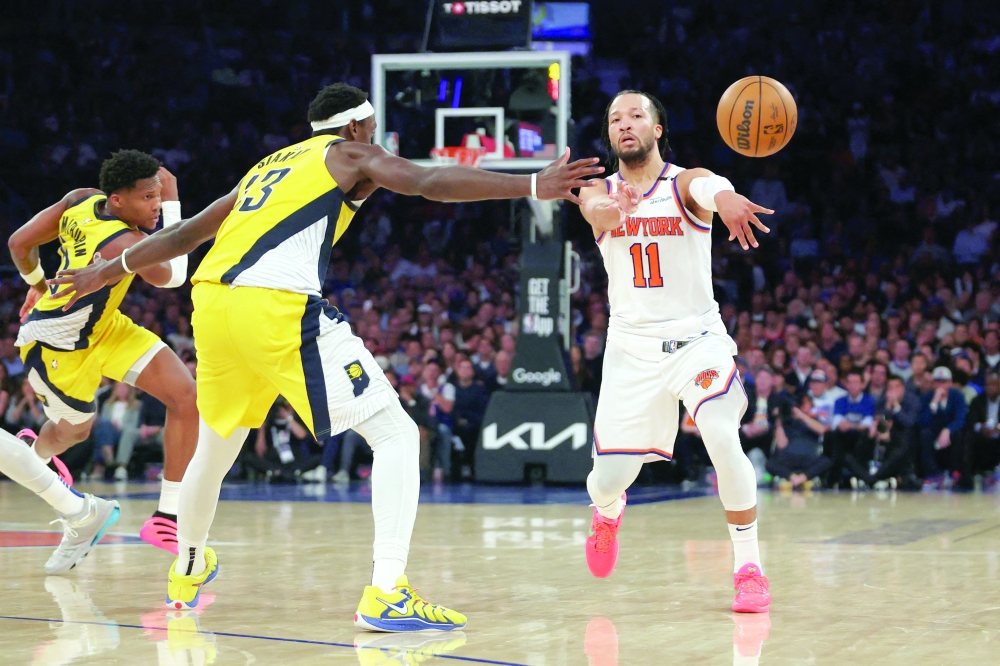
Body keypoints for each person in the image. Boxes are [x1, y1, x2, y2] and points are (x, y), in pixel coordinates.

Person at [51, 82, 601, 629]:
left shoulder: (265, 167)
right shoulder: (350, 152)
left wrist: (107, 270)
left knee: (215, 451)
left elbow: (191, 232)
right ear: (357, 127)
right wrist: (532, 182)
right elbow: (427, 181)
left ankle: (188, 569)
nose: (377, 139)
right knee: (397, 434)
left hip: (213, 306)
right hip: (275, 305)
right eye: (374, 129)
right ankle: (388, 591)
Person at [576, 89, 772, 612]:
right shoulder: (599, 188)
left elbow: (709, 186)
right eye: (616, 118)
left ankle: (748, 568)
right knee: (604, 481)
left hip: (697, 341)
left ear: (656, 129)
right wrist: (612, 208)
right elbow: (596, 212)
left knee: (719, 434)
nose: (625, 123)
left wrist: (727, 197)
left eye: (636, 115)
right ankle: (609, 511)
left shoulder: (682, 182)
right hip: (631, 352)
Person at [1, 151, 198, 574]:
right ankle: (33, 451)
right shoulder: (123, 242)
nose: (156, 205)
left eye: (159, 195)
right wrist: (177, 199)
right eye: (148, 198)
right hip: (56, 344)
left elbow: (20, 243)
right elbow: (175, 275)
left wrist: (36, 284)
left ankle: (167, 517)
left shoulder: (80, 199)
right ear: (119, 200)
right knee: (72, 434)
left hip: (105, 326)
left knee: (185, 395)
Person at [767, 393, 831, 490]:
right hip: (789, 458)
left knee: (826, 461)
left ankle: (801, 478)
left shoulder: (814, 420)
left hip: (809, 458)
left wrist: (801, 415)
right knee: (770, 463)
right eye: (802, 403)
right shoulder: (786, 421)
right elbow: (781, 445)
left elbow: (822, 430)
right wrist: (779, 421)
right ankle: (794, 478)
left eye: (808, 403)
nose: (805, 405)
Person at [964, 373, 1000, 483]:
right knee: (968, 437)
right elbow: (972, 420)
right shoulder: (977, 400)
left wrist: (997, 428)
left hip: (998, 432)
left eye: (995, 385)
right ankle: (968, 475)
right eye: (989, 385)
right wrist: (981, 427)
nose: (992, 388)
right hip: (982, 433)